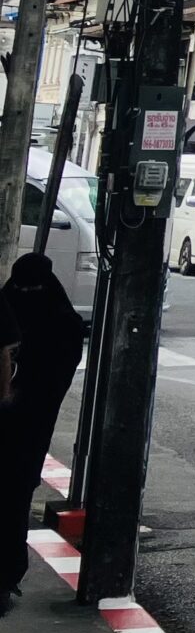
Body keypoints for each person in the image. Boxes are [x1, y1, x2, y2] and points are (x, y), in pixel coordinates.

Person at [1, 250, 87, 609]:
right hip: (29, 430)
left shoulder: (12, 305)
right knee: (14, 500)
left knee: (14, 498)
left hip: (25, 426)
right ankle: (6, 575)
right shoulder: (60, 318)